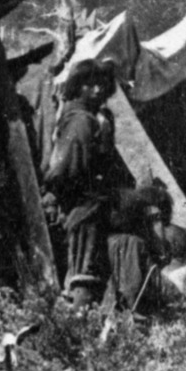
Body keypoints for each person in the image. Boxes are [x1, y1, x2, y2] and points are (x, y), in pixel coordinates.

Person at [43, 61, 124, 307]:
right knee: (83, 271)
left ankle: (78, 320)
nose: (97, 90)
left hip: (88, 203)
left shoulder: (88, 118)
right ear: (78, 86)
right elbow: (64, 168)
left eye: (101, 84)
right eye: (90, 84)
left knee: (83, 268)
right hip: (83, 203)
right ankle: (78, 325)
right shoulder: (81, 121)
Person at [103, 178, 174, 312]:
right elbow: (132, 296)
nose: (159, 228)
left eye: (160, 220)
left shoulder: (161, 252)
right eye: (152, 220)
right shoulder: (131, 244)